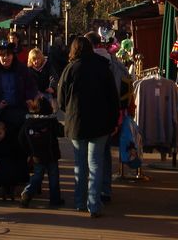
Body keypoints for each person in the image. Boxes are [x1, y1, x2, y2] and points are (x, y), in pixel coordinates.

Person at [57, 36, 119, 218]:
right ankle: (94, 204)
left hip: (77, 123)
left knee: (80, 164)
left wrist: (69, 112)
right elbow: (113, 98)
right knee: (95, 163)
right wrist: (113, 120)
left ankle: (79, 201)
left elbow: (61, 100)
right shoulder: (103, 67)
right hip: (100, 123)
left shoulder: (70, 69)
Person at [85, 30, 129, 203]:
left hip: (92, 113)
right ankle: (105, 189)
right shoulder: (115, 62)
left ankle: (92, 194)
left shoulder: (88, 62)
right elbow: (125, 85)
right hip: (113, 112)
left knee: (92, 156)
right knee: (105, 152)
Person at [19, 96, 64, 208]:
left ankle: (27, 193)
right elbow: (61, 132)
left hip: (37, 155)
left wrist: (29, 151)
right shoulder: (51, 121)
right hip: (51, 154)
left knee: (37, 177)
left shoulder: (29, 121)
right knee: (53, 177)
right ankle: (55, 199)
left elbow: (21, 138)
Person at [0, 40, 38, 133]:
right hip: (1, 113)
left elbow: (31, 86)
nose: (5, 58)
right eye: (2, 55)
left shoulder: (22, 69)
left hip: (19, 111)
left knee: (19, 142)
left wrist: (29, 98)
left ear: (13, 55)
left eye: (8, 55)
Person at [0, 121, 27, 201]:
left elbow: (16, 152)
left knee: (10, 167)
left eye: (0, 133)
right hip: (1, 163)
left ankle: (11, 187)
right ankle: (5, 187)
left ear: (4, 131)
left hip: (12, 160)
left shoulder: (11, 139)